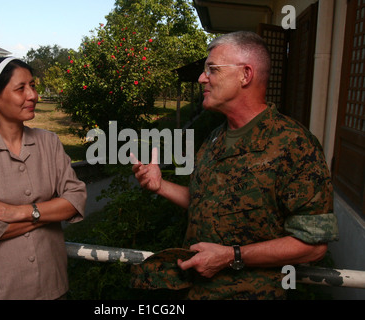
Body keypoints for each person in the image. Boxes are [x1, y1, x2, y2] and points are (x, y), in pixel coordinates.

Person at [132, 31, 339, 299]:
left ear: (245, 75)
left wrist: (231, 256)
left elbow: (312, 246)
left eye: (212, 70)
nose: (201, 78)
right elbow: (207, 202)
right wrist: (160, 186)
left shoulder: (294, 145)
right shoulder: (215, 138)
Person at [0, 57, 87, 300]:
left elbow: (76, 199)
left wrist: (21, 211)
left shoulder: (49, 142)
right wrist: (50, 213)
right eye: (21, 88)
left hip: (52, 287)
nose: (32, 95)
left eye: (32, 86)